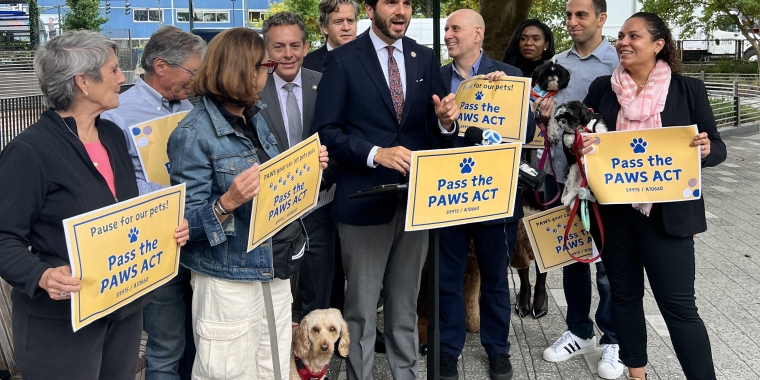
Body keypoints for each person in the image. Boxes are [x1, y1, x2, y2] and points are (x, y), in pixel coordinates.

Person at [0, 30, 189, 380]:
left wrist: (165, 229)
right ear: (83, 82)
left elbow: (127, 213)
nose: (123, 78)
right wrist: (40, 275)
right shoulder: (29, 151)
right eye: (115, 70)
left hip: (122, 310)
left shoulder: (113, 135)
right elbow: (4, 237)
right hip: (61, 324)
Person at [167, 27, 328, 380]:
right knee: (228, 372)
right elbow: (183, 226)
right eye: (263, 64)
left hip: (273, 265)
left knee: (273, 367)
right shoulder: (192, 134)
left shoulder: (253, 116)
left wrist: (307, 170)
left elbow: (272, 187)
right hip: (229, 278)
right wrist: (227, 201)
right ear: (242, 70)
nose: (269, 71)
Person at [311, 0, 459, 377]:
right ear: (370, 7)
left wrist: (445, 123)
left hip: (414, 204)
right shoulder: (343, 60)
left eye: (408, 3)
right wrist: (376, 153)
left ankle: (404, 373)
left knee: (405, 304)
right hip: (362, 204)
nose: (402, 10)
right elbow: (326, 133)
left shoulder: (425, 59)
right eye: (392, 1)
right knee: (360, 308)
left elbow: (436, 128)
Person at [574, 12, 724, 380]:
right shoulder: (601, 89)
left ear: (658, 45)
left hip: (667, 218)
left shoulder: (688, 89)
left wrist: (705, 150)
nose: (623, 42)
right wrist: (582, 143)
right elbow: (580, 142)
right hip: (615, 216)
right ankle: (636, 374)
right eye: (621, 35)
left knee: (679, 308)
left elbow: (717, 148)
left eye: (634, 36)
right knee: (624, 300)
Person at [101, 25, 205, 380]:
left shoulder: (192, 105)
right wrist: (169, 198)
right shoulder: (117, 115)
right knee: (165, 347)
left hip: (199, 234)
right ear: (161, 66)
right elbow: (117, 187)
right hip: (156, 242)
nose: (195, 80)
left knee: (204, 340)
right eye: (192, 71)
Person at [438, 9, 534, 380]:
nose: (448, 34)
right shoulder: (436, 77)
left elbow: (524, 132)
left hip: (496, 194)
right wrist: (446, 125)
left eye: (455, 28)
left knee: (495, 277)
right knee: (448, 276)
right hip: (450, 194)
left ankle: (498, 349)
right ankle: (448, 348)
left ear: (478, 33)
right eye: (446, 28)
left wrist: (505, 96)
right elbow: (429, 135)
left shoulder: (509, 76)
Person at [534, 0, 623, 379]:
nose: (572, 22)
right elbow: (542, 110)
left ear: (601, 18)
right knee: (571, 254)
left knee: (608, 264)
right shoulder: (558, 63)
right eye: (568, 15)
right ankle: (579, 330)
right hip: (560, 175)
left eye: (581, 15)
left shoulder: (617, 61)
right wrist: (540, 113)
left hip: (605, 181)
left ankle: (616, 337)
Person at [259, 12, 334, 321]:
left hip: (319, 206)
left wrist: (327, 168)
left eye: (294, 45)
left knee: (318, 293)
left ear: (306, 47)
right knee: (277, 298)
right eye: (278, 47)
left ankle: (315, 366)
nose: (287, 54)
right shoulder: (253, 89)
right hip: (273, 211)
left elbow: (340, 135)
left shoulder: (326, 84)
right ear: (266, 50)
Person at [502, 18, 556, 321]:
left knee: (545, 223)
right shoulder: (507, 72)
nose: (529, 43)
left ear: (546, 43)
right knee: (519, 225)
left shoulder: (557, 73)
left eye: (536, 38)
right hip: (514, 158)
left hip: (547, 158)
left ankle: (542, 285)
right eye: (524, 38)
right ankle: (523, 283)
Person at [302, 0, 359, 73]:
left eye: (350, 21)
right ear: (325, 28)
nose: (346, 27)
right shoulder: (306, 65)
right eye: (338, 22)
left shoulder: (370, 58)